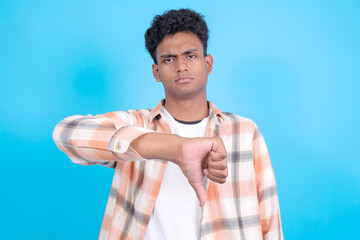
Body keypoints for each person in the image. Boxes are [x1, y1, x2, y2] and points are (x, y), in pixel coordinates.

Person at [53, 9, 283, 240]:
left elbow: (269, 219)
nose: (181, 66)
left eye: (190, 55)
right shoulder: (136, 124)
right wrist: (176, 148)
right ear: (156, 72)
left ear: (208, 63)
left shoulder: (244, 131)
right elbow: (67, 133)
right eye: (169, 59)